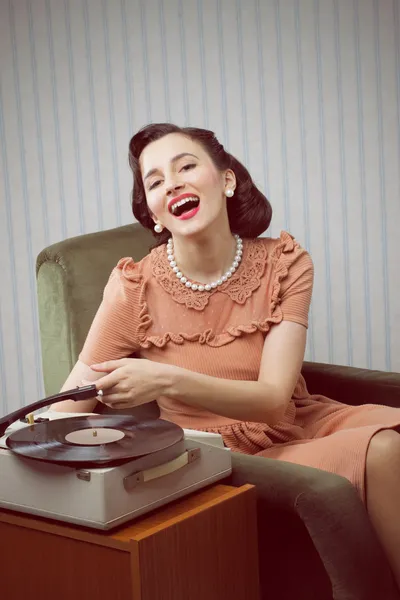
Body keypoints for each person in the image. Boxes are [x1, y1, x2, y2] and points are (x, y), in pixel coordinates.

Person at [53, 122, 400, 587]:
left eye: (186, 166)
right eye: (154, 181)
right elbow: (73, 395)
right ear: (155, 213)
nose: (171, 182)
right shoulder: (133, 287)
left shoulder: (285, 262)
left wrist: (164, 381)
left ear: (228, 180)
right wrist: (23, 443)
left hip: (298, 420)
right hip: (215, 451)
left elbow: (275, 400)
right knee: (384, 452)